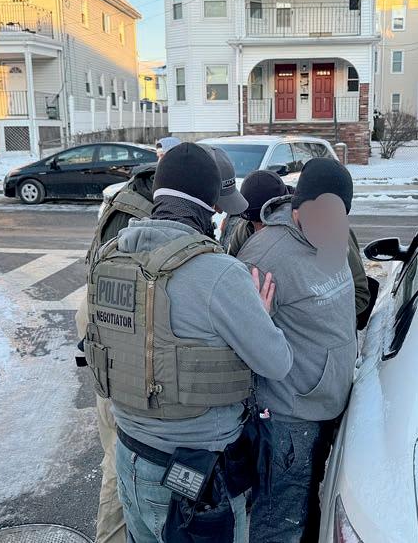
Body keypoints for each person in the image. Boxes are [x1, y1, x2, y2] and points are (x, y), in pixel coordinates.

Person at [84, 143, 293, 543]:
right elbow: (276, 363)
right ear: (212, 207)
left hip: (129, 457)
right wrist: (262, 315)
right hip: (197, 477)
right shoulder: (219, 273)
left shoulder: (110, 258)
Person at [238, 158, 358, 543]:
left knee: (307, 508)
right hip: (290, 419)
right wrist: (257, 321)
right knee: (281, 522)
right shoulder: (265, 257)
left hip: (325, 406)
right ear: (298, 207)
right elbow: (238, 339)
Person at [76, 138, 183, 543]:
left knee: (125, 453)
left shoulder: (132, 200)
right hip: (114, 335)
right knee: (122, 456)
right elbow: (133, 305)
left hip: (105, 328)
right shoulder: (140, 217)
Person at [228, 171, 371, 329]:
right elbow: (231, 280)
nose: (258, 230)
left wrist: (306, 317)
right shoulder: (244, 230)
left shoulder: (327, 229)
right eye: (253, 223)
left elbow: (360, 295)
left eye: (264, 223)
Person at [225, 170, 289, 257]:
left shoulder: (300, 227)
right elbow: (232, 260)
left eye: (266, 218)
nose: (260, 228)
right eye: (255, 220)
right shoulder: (243, 232)